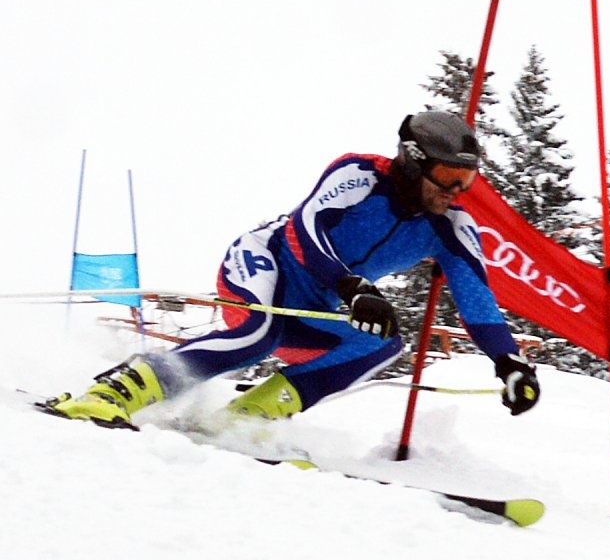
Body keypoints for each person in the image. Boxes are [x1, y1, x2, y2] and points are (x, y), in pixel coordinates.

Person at [44, 111, 540, 430]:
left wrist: (509, 362)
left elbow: (477, 297)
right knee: (257, 335)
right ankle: (114, 390)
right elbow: (307, 231)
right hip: (265, 263)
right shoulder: (360, 175)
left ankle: (245, 420)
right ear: (413, 163)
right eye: (450, 178)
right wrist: (352, 286)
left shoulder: (450, 225)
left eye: (468, 181)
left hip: (318, 302)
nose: (457, 192)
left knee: (382, 346)